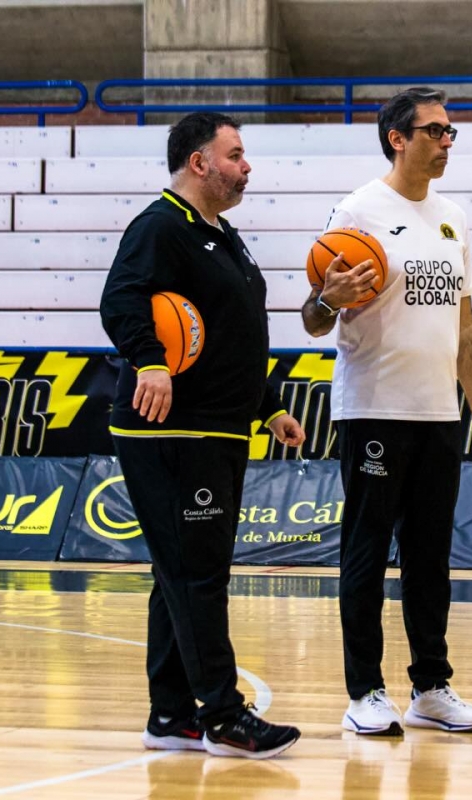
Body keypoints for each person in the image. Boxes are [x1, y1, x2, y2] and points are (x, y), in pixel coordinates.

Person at [100, 111, 305, 760]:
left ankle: (169, 715)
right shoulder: (161, 227)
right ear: (199, 163)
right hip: (171, 432)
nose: (247, 166)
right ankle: (222, 714)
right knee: (197, 573)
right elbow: (121, 299)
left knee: (179, 574)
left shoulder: (225, 236)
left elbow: (235, 333)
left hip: (220, 428)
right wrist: (151, 361)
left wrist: (269, 406)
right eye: (235, 154)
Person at [301, 87, 472, 736]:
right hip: (373, 413)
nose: (447, 142)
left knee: (430, 558)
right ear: (398, 137)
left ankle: (431, 687)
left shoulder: (454, 217)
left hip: (438, 416)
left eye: (451, 133)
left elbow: (464, 326)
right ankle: (364, 691)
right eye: (436, 131)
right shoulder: (356, 212)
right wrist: (327, 299)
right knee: (365, 553)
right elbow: (311, 318)